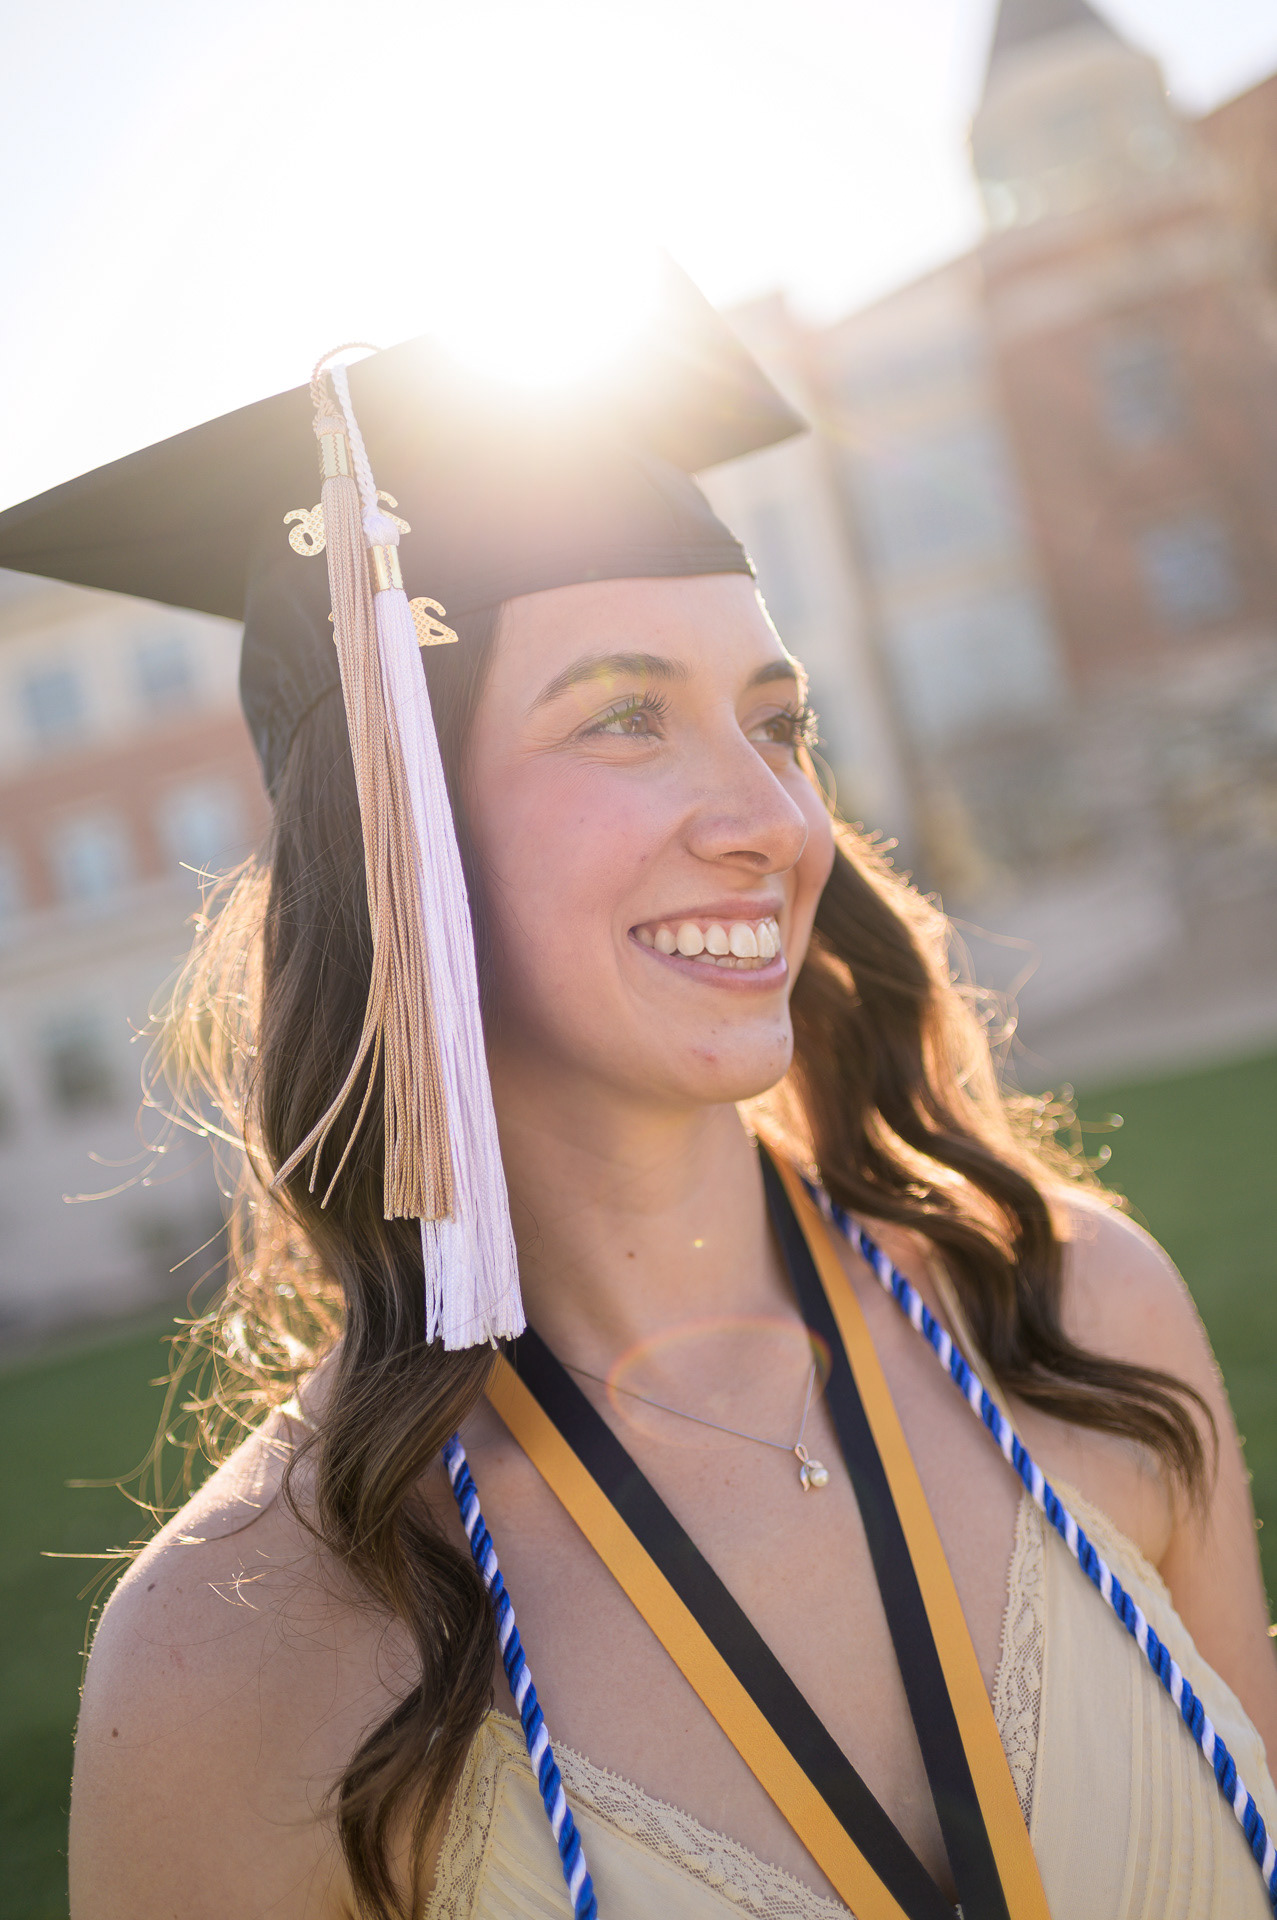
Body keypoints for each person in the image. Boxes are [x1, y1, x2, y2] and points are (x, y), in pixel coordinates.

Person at [3, 271, 1274, 1920]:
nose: (769, 818)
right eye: (622, 717)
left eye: (778, 722)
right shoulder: (249, 1651)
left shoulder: (1073, 1319)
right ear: (402, 836)